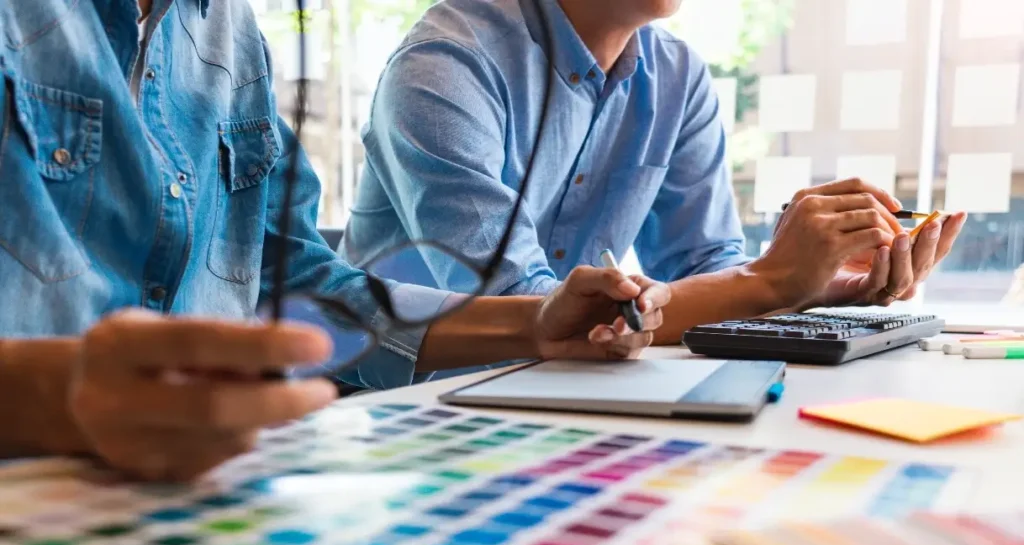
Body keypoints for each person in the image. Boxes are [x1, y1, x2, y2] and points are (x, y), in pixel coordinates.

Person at [0, 0, 672, 481]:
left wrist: (535, 324)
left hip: (203, 488)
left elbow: (296, 284)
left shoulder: (229, 33)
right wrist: (54, 396)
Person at [345, 0, 968, 348]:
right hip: (405, 404)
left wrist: (818, 284)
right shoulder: (445, 64)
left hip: (555, 390)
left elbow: (708, 267)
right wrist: (773, 279)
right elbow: (530, 310)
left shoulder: (677, 75)